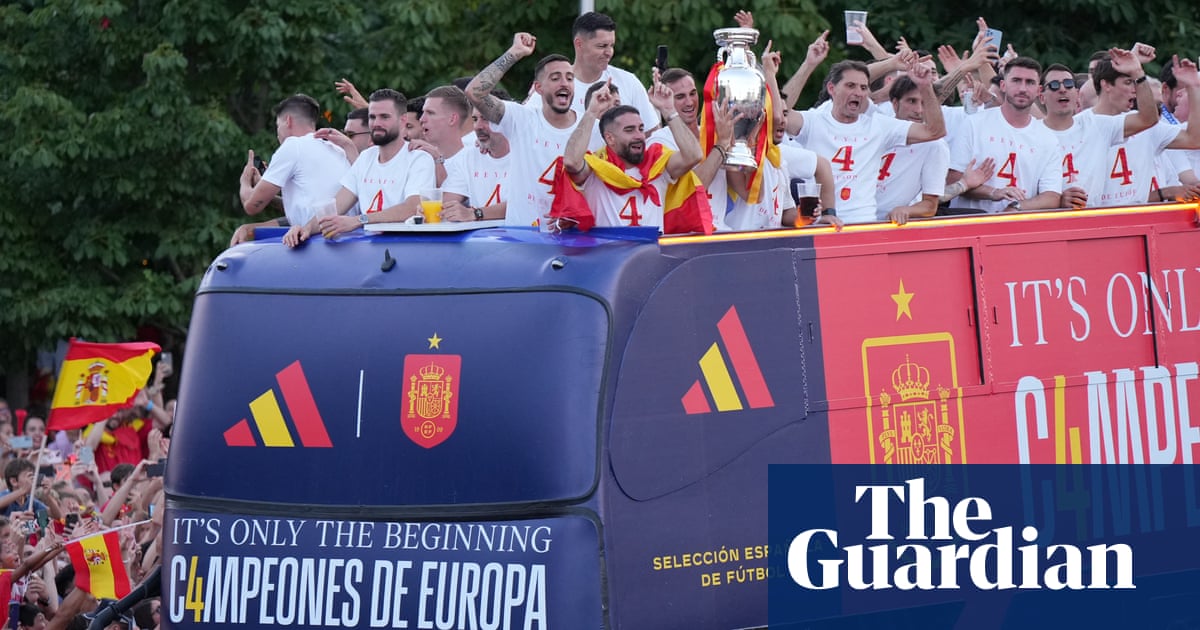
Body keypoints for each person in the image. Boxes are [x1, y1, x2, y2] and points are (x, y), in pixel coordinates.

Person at [785, 58, 946, 224]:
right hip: (821, 224)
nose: (858, 92)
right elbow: (778, 115)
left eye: (863, 88)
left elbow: (935, 131)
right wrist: (808, 65)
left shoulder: (879, 125)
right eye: (850, 86)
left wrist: (925, 86)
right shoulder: (813, 121)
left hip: (863, 224)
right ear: (832, 88)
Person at [285, 89, 437, 245]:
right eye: (372, 117)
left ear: (403, 120)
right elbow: (337, 204)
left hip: (406, 249)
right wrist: (306, 229)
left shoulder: (419, 158)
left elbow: (412, 208)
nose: (377, 123)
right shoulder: (366, 157)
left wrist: (359, 220)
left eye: (384, 117)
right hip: (368, 251)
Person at [466, 33, 580, 227]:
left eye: (569, 78)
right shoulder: (521, 119)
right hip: (522, 242)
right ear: (538, 88)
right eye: (555, 78)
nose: (564, 83)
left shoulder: (591, 127)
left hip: (573, 243)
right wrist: (515, 53)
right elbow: (475, 92)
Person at [562, 76, 703, 228]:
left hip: (651, 252)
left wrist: (669, 111)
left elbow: (694, 156)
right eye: (629, 130)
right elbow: (571, 162)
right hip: (608, 252)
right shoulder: (595, 168)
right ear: (610, 138)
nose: (639, 136)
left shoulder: (657, 163)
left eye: (641, 129)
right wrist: (591, 112)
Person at [1038, 52, 1156, 209]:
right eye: (1053, 85)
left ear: (1076, 93)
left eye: (1068, 84)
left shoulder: (1097, 126)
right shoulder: (1032, 133)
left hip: (1093, 222)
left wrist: (1137, 73)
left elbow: (1148, 119)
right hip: (1048, 225)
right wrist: (1057, 200)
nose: (1062, 89)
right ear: (1041, 96)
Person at [948, 57, 1063, 213]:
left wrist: (1016, 208)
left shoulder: (1048, 138)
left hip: (1017, 229)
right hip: (970, 225)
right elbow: (952, 181)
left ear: (1039, 90)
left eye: (1030, 82)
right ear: (1003, 85)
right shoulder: (974, 124)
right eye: (1016, 80)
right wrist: (993, 193)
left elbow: (1051, 196)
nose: (1023, 88)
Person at [232, 94, 351, 246]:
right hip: (346, 238)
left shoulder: (292, 145)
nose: (277, 134)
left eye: (277, 126)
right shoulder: (336, 148)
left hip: (318, 241)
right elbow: (309, 207)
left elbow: (251, 206)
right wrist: (266, 188)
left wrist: (245, 181)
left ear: (288, 121)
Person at [1093, 53, 1200, 207]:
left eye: (1135, 83)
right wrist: (1134, 58)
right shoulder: (1081, 125)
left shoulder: (1147, 129)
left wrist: (1193, 87)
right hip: (1096, 224)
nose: (1135, 90)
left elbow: (1194, 139)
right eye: (1128, 82)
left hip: (1142, 224)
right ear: (1106, 85)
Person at [531, 12, 657, 128]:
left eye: (612, 45)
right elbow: (527, 129)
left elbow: (652, 133)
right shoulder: (552, 86)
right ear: (579, 44)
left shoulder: (628, 82)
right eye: (602, 46)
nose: (609, 52)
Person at [875, 75, 951, 223]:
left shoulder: (935, 145)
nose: (919, 110)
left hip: (890, 226)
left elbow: (929, 206)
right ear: (895, 104)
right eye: (912, 101)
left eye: (924, 103)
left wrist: (905, 210)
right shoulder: (876, 127)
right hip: (853, 219)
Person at [441, 105, 512, 222]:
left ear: (506, 121)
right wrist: (431, 210)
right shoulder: (468, 156)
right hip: (478, 238)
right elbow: (447, 201)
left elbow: (524, 204)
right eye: (475, 119)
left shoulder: (526, 155)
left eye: (486, 119)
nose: (478, 126)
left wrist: (476, 214)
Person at [413, 86, 471, 186]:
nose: (422, 119)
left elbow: (444, 199)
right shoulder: (418, 157)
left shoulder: (471, 162)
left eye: (430, 113)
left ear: (452, 119)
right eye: (423, 112)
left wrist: (438, 160)